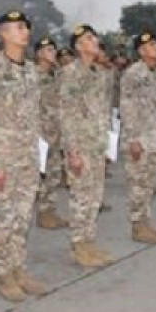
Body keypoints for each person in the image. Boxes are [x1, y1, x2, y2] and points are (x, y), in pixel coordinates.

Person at [0, 11, 48, 302]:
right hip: (4, 158)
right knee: (3, 219)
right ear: (3, 34)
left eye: (26, 27)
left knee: (21, 218)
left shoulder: (31, 71)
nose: (24, 32)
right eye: (18, 27)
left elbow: (34, 115)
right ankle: (3, 274)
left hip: (27, 156)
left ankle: (18, 268)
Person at [59, 24, 115, 266]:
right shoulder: (70, 73)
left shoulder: (99, 74)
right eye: (89, 39)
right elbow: (67, 114)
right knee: (81, 198)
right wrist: (73, 152)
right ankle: (78, 245)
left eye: (95, 37)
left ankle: (89, 242)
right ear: (79, 46)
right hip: (80, 147)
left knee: (94, 198)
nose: (95, 41)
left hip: (96, 145)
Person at [120, 31, 156, 244]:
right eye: (150, 45)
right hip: (139, 138)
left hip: (153, 137)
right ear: (141, 50)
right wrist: (133, 139)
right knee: (138, 185)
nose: (155, 47)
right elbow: (127, 107)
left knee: (148, 185)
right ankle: (138, 227)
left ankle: (146, 223)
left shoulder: (155, 74)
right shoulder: (134, 74)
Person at [34, 36, 68, 230]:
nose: (53, 53)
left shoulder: (55, 76)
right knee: (41, 175)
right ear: (39, 53)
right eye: (48, 50)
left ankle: (48, 211)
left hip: (55, 133)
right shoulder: (33, 76)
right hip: (41, 133)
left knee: (53, 174)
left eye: (53, 49)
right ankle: (42, 212)